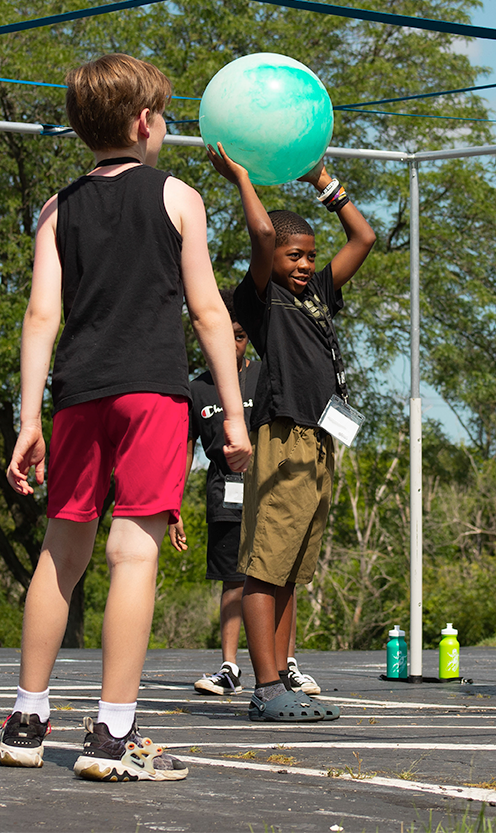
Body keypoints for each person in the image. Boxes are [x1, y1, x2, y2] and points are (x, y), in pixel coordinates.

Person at [0, 54, 250, 780]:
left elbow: (41, 314)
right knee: (132, 555)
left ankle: (26, 717)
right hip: (152, 395)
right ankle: (111, 734)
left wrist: (28, 416)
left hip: (77, 396)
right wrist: (232, 416)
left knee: (60, 554)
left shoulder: (56, 206)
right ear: (144, 123)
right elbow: (208, 312)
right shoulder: (178, 197)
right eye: (162, 115)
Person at [209, 145, 375, 722]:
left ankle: (282, 679)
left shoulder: (316, 295)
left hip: (321, 441)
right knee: (264, 565)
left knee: (291, 571)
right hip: (282, 437)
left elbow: (364, 240)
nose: (304, 265)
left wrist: (325, 181)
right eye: (293, 255)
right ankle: (265, 687)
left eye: (308, 256)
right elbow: (259, 232)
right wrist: (241, 178)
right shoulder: (262, 299)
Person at [190, 289, 320, 697]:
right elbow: (183, 449)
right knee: (234, 579)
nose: (232, 343)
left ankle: (288, 664)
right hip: (223, 493)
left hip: (269, 489)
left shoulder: (267, 373)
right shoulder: (197, 389)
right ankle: (229, 666)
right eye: (223, 335)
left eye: (240, 335)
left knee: (281, 576)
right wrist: (173, 507)